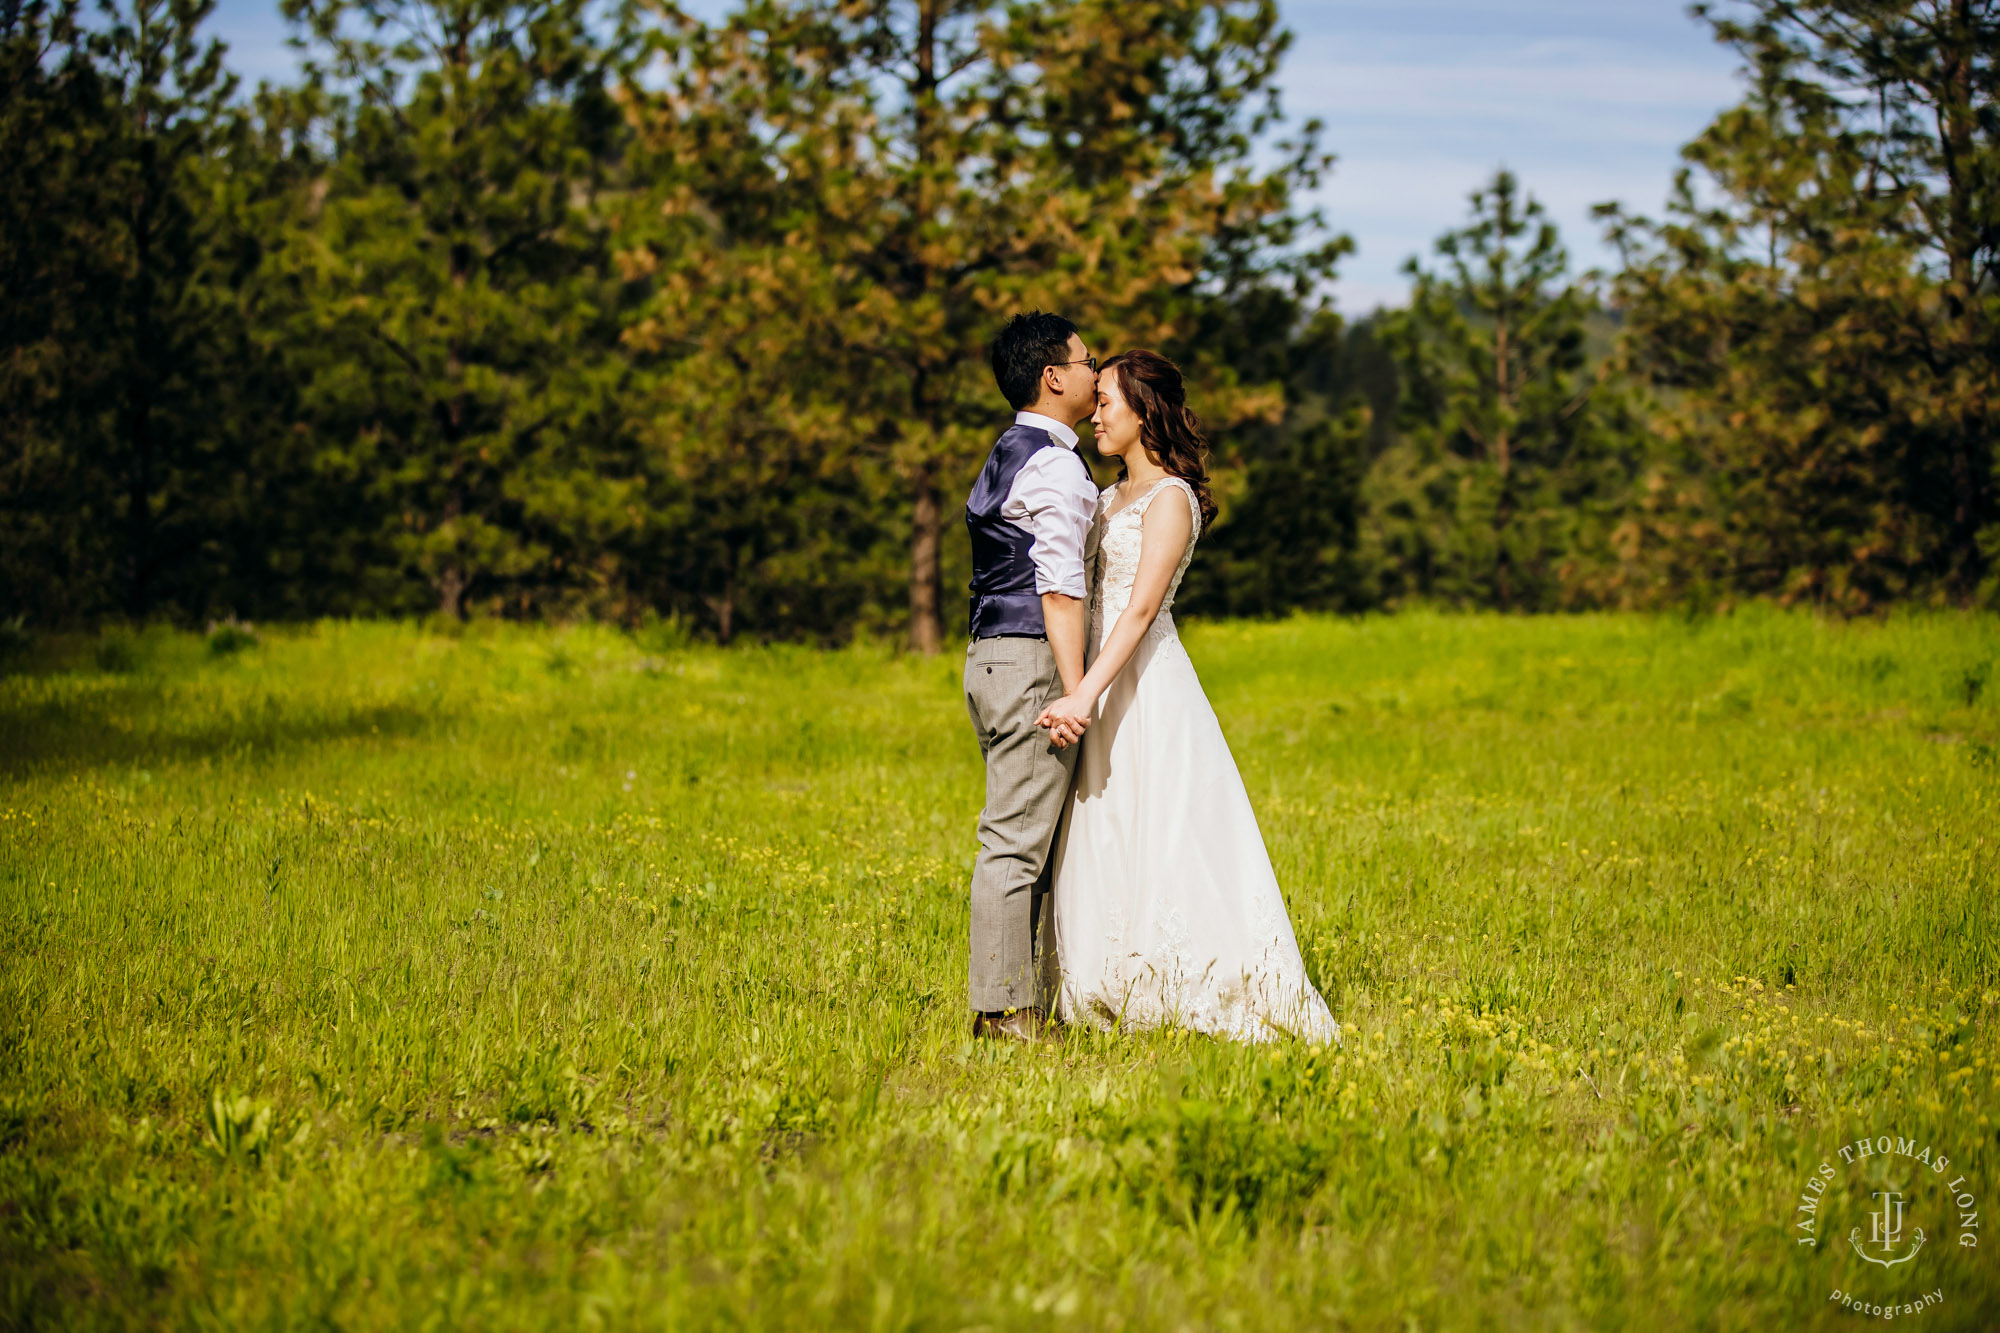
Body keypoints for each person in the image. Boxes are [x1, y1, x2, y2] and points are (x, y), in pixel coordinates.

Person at [1036, 350, 1341, 1043]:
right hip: (1097, 684)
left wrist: (1083, 690)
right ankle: (1101, 981)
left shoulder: (1169, 498)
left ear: (1145, 410)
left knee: (1162, 824)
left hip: (1144, 686)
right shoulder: (1106, 497)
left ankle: (1181, 978)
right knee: (1103, 823)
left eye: (1109, 399)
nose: (1096, 412)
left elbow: (1139, 612)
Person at [961, 312, 1100, 1042]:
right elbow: (1059, 586)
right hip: (1032, 658)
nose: (1096, 373)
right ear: (1054, 376)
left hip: (989, 655)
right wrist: (1077, 689)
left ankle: (1019, 997)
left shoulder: (1007, 451)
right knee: (1016, 842)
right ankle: (1005, 1012)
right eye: (1088, 359)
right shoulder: (1052, 461)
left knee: (1023, 835)